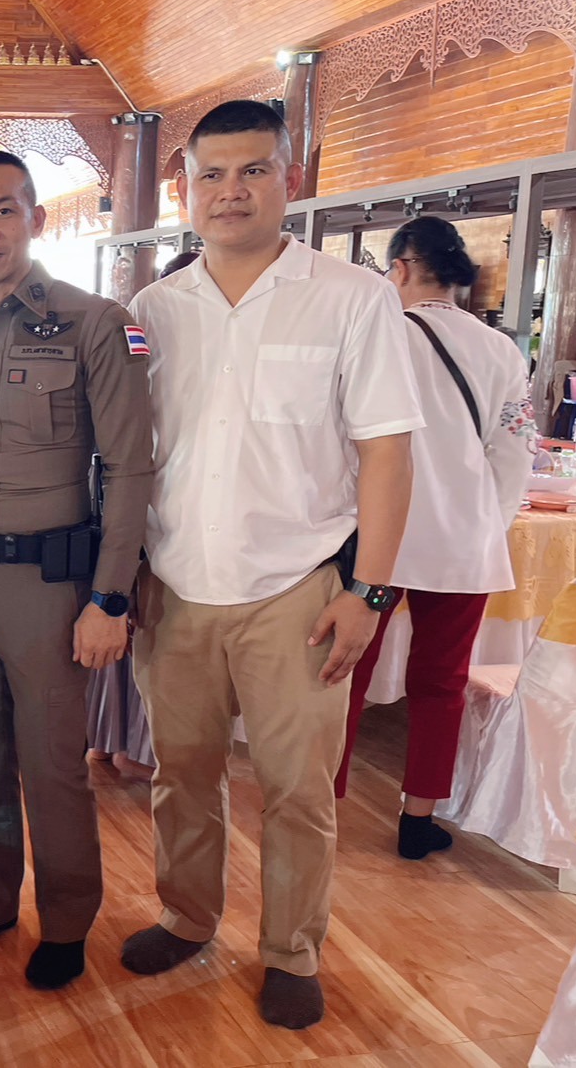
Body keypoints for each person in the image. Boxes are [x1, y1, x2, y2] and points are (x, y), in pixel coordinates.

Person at [120, 100, 424, 1029]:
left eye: (253, 170)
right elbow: (133, 454)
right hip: (175, 585)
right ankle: (187, 914)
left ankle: (292, 949)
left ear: (290, 179)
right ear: (186, 189)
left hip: (297, 591)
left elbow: (387, 452)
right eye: (210, 174)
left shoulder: (352, 297)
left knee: (297, 787)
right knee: (182, 772)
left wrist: (369, 591)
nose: (230, 191)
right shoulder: (154, 310)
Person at [0, 151, 153, 990]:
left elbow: (129, 467)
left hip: (52, 589)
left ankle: (68, 918)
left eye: (3, 210)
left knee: (52, 766)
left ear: (36, 219)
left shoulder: (96, 323)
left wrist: (109, 595)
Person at [334, 216, 536, 857]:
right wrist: (486, 521)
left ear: (399, 268)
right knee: (442, 683)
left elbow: (344, 441)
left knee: (345, 673)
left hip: (380, 537)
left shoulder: (382, 333)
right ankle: (418, 819)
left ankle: (322, 805)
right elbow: (515, 452)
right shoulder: (501, 350)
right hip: (465, 541)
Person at [86, 250, 201, 781]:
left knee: (124, 623)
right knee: (141, 629)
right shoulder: (139, 330)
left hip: (128, 512)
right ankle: (130, 747)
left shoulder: (135, 335)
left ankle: (107, 739)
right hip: (156, 516)